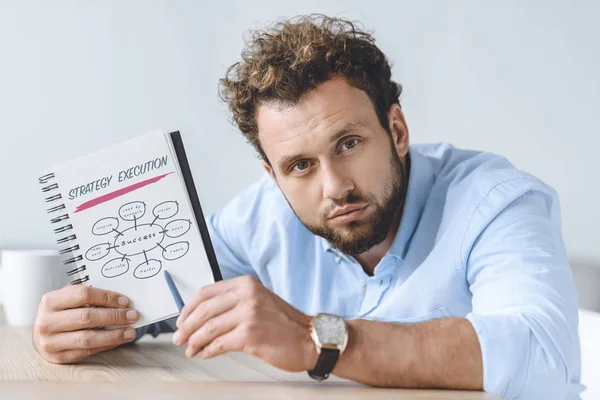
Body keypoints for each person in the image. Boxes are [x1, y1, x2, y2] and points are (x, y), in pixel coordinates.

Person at [32, 14, 582, 400]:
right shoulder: (260, 219)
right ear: (273, 175)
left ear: (396, 129)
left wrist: (311, 338)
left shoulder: (496, 202)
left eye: (349, 144)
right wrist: (80, 325)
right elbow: (162, 304)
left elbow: (542, 357)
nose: (333, 186)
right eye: (300, 165)